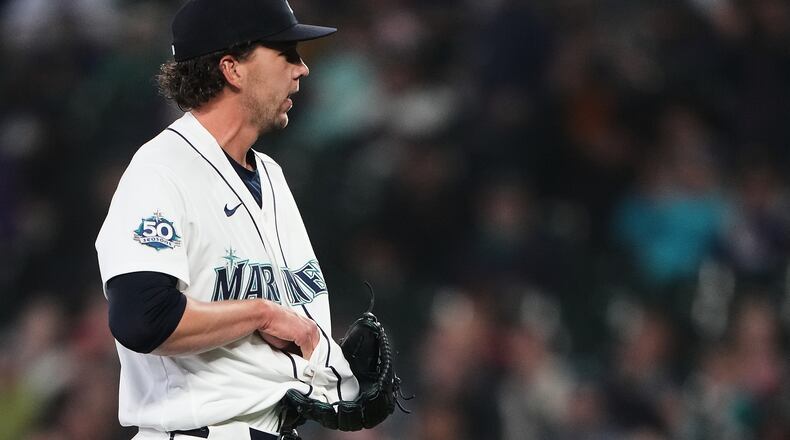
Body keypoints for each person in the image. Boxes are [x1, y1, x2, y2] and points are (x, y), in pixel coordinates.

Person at [95, 1, 359, 439]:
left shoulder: (272, 177)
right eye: (286, 53)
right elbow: (143, 318)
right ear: (232, 68)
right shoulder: (161, 170)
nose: (302, 69)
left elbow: (294, 333)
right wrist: (259, 313)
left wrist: (344, 379)